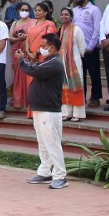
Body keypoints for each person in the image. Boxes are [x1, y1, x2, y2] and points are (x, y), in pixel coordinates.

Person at [16, 33, 68, 189]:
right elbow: (35, 68)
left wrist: (21, 60)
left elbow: (33, 70)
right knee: (43, 143)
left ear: (52, 48)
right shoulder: (48, 61)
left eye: (43, 46)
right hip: (40, 108)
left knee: (52, 143)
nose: (41, 49)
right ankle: (45, 172)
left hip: (49, 110)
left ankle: (60, 175)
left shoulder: (55, 62)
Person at [71, 0, 102, 108]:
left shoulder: (94, 10)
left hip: (90, 48)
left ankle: (95, 97)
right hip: (77, 48)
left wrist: (91, 46)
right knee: (79, 74)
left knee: (94, 74)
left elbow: (97, 29)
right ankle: (81, 98)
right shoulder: (74, 10)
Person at [57, 7, 87, 121]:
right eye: (62, 14)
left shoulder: (76, 29)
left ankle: (77, 114)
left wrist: (74, 59)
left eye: (66, 14)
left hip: (74, 62)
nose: (64, 16)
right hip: (63, 63)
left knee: (76, 86)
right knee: (65, 87)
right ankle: (67, 112)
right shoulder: (62, 29)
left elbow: (82, 48)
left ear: (71, 17)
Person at [8, 1, 35, 109]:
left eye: (27, 10)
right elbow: (10, 37)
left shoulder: (33, 22)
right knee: (17, 76)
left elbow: (35, 35)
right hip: (16, 51)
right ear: (18, 11)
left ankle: (30, 100)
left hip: (28, 50)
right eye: (22, 10)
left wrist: (25, 36)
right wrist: (18, 38)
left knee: (28, 75)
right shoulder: (14, 23)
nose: (24, 12)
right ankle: (19, 100)